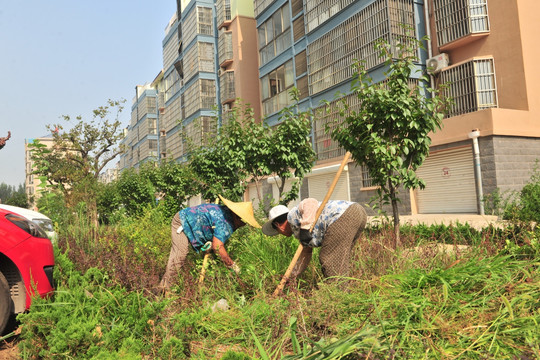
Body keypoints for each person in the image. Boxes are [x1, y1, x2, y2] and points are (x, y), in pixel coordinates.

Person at [160, 195, 261, 290]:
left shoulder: (226, 214)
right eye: (243, 221)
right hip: (182, 222)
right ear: (237, 216)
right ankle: (167, 291)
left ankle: (161, 288)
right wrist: (232, 266)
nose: (243, 225)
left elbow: (214, 237)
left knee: (206, 257)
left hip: (189, 222)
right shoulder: (225, 223)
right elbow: (218, 247)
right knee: (179, 255)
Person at [262, 198, 367, 280]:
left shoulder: (293, 216)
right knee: (340, 257)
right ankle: (342, 292)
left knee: (328, 258)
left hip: (344, 215)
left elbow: (310, 202)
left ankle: (337, 295)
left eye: (278, 232)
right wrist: (292, 276)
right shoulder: (298, 230)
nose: (280, 234)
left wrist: (305, 227)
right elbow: (305, 254)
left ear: (278, 225)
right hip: (357, 213)